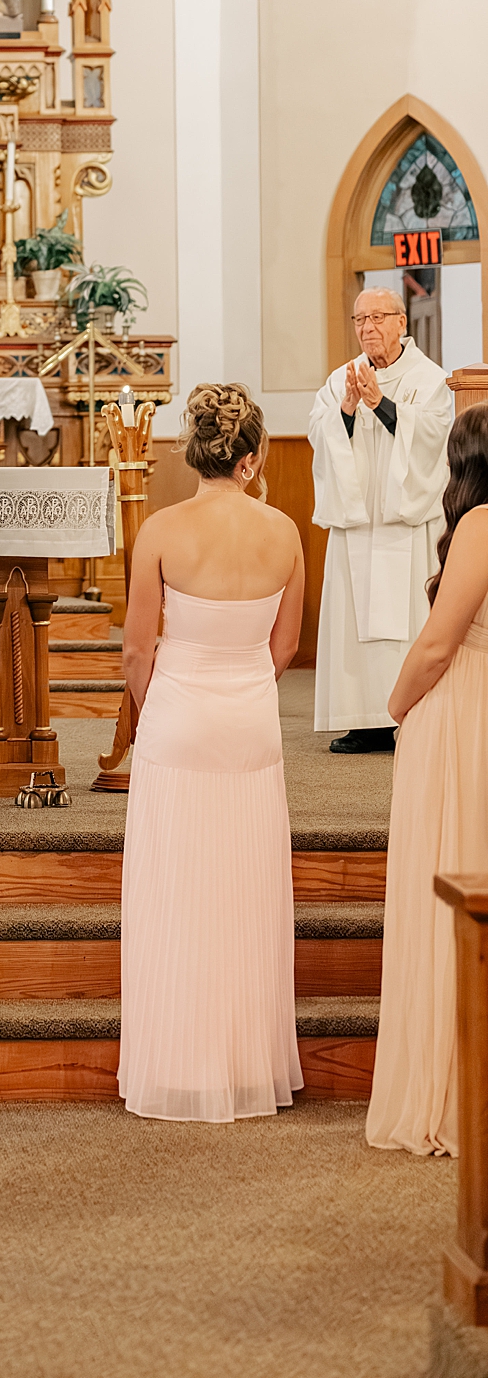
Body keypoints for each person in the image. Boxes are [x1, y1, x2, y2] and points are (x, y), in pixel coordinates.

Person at [118, 383, 305, 1123]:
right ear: (252, 460)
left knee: (176, 889)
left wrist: (156, 705)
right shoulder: (285, 532)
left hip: (177, 716)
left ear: (193, 453)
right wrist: (242, 680)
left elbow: (137, 649)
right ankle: (245, 1063)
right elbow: (284, 646)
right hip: (252, 719)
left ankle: (177, 1065)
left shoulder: (162, 530)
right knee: (247, 890)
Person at [367, 404, 488, 1155]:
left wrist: (396, 702)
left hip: (463, 711)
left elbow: (441, 642)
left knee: (450, 876)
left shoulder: (479, 525)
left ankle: (448, 1088)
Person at [311, 287, 450, 753]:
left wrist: (383, 407)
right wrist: (347, 409)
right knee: (354, 620)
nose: (367, 328)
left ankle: (406, 714)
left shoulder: (430, 380)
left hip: (405, 526)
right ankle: (362, 719)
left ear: (401, 322)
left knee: (407, 619)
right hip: (358, 524)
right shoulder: (340, 380)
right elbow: (319, 432)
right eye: (359, 320)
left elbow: (435, 437)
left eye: (377, 318)